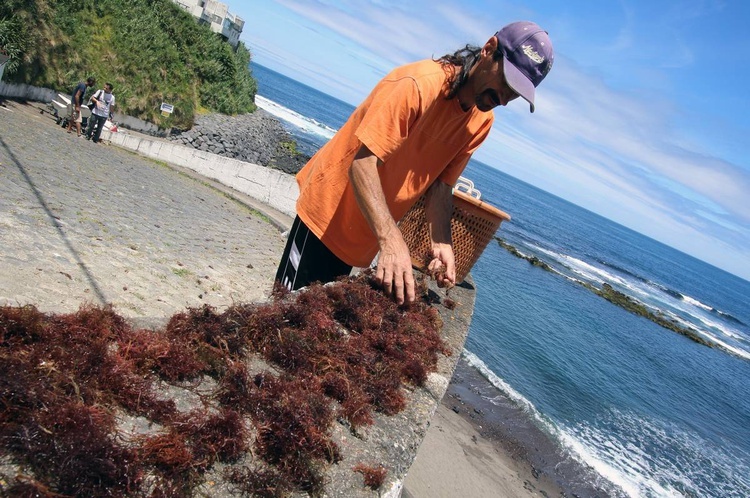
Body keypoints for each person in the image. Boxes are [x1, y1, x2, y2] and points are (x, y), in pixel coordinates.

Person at [275, 21, 554, 304]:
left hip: (364, 233)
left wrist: (441, 242)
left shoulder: (481, 122)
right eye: (506, 82)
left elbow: (442, 186)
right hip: (327, 215)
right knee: (283, 313)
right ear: (488, 49)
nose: (505, 99)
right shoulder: (417, 86)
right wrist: (391, 239)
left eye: (515, 93)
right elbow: (362, 165)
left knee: (315, 325)